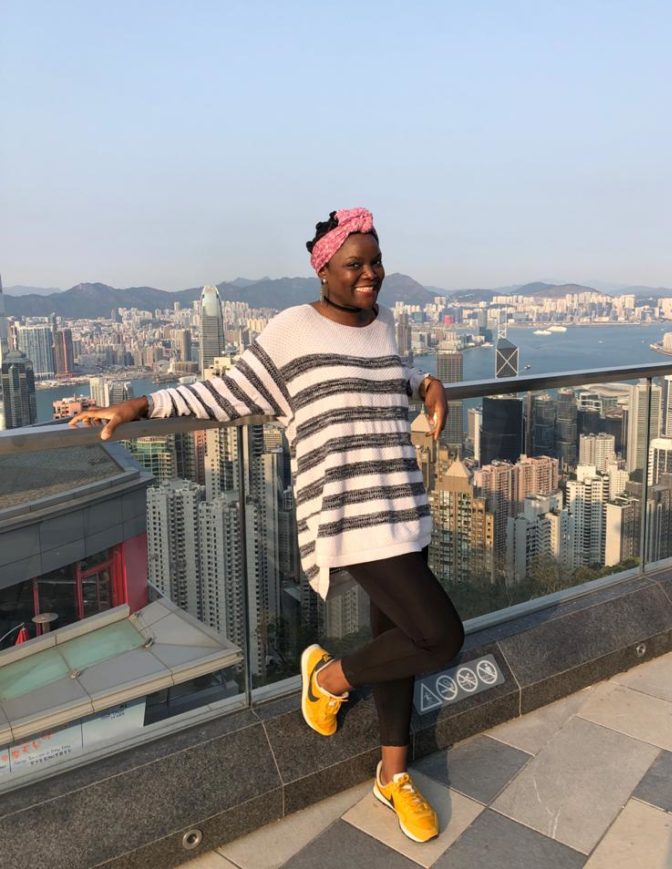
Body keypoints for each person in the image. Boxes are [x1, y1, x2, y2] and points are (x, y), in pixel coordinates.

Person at [70, 208, 464, 843]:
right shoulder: (291, 330)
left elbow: (393, 375)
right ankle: (327, 679)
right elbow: (224, 392)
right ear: (324, 271)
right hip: (347, 516)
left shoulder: (386, 324)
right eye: (354, 265)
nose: (369, 274)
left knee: (400, 641)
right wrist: (142, 403)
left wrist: (427, 383)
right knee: (440, 636)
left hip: (402, 503)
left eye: (375, 262)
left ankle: (394, 775)